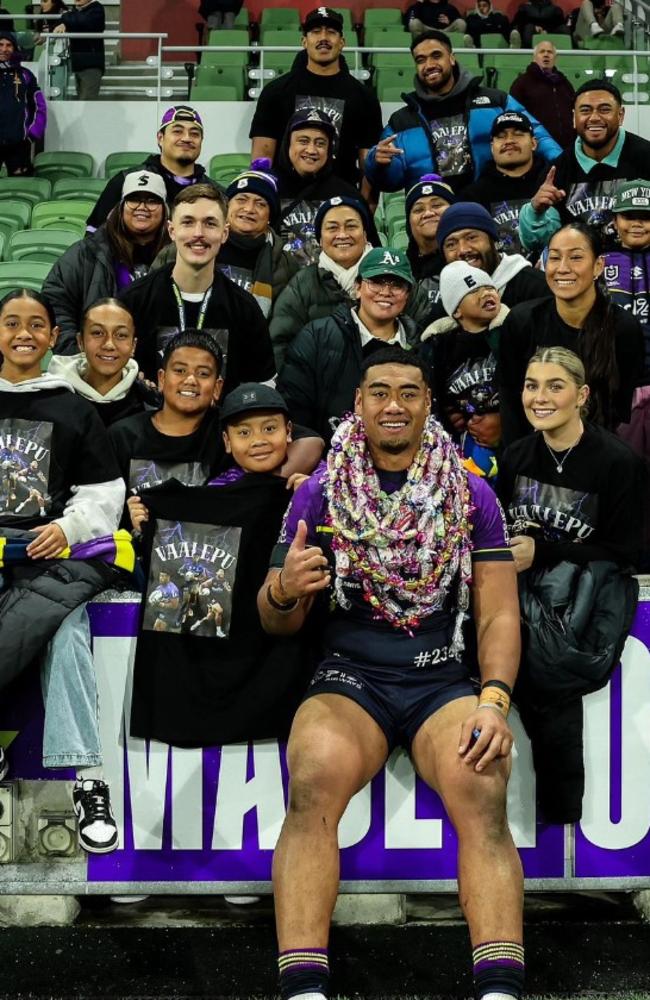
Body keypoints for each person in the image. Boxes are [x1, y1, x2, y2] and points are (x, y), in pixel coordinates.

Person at [259, 345, 523, 1000]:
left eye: (409, 391)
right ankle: (304, 988)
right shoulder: (320, 490)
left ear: (428, 404)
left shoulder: (469, 492)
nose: (394, 404)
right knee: (313, 778)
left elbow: (496, 615)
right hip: (351, 676)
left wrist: (493, 700)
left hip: (438, 677)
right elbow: (274, 616)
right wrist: (287, 591)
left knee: (482, 782)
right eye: (379, 391)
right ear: (359, 404)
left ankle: (499, 987)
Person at [0, 288, 127, 852]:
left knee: (67, 629)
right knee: (60, 625)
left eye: (36, 325)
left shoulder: (74, 407)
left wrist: (69, 529)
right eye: (10, 323)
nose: (23, 333)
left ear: (55, 338)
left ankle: (86, 779)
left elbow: (104, 492)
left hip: (48, 551)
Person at [498, 346, 643, 821]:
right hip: (520, 610)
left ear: (581, 395)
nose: (540, 397)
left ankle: (564, 833)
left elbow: (632, 552)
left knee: (560, 718)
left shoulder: (617, 462)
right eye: (531, 385)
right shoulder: (517, 454)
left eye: (554, 386)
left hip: (585, 619)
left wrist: (546, 551)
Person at [118, 184, 276, 391]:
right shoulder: (133, 301)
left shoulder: (245, 309)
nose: (198, 233)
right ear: (172, 231)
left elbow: (261, 389)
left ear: (224, 233)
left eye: (210, 223)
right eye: (188, 222)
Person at [364, 30, 561, 195]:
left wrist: (562, 166)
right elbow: (389, 182)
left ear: (451, 58)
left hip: (490, 208)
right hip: (432, 218)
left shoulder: (495, 101)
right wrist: (377, 164)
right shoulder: (402, 120)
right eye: (421, 60)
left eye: (436, 55)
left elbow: (537, 135)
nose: (429, 65)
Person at [498, 222, 645, 444]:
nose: (562, 268)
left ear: (598, 266)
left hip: (601, 454)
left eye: (576, 257)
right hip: (534, 452)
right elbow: (510, 399)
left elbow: (623, 412)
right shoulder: (522, 321)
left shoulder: (623, 328)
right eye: (555, 258)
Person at [276, 248, 424, 443]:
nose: (386, 292)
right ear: (357, 287)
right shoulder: (316, 337)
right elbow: (293, 409)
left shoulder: (423, 344)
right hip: (326, 463)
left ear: (407, 295)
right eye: (376, 282)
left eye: (397, 285)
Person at [249, 7, 383, 191]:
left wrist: (365, 210)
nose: (323, 38)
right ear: (304, 41)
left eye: (331, 32)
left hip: (342, 204)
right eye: (315, 32)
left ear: (342, 42)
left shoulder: (364, 97)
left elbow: (369, 165)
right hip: (285, 201)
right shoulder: (276, 92)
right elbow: (262, 158)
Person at [153, 160, 300, 319]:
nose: (249, 209)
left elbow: (283, 322)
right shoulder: (186, 247)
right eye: (241, 199)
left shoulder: (284, 263)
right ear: (226, 207)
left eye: (260, 204)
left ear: (270, 216)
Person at [519, 80, 650, 254]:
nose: (594, 117)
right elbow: (538, 245)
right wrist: (535, 212)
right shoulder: (556, 171)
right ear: (574, 118)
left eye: (604, 109)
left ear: (621, 115)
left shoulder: (646, 157)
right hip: (579, 273)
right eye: (585, 110)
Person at [44, 171, 169, 351]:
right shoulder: (87, 252)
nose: (142, 207)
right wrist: (78, 355)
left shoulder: (177, 255)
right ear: (121, 206)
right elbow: (56, 303)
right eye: (134, 199)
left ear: (165, 209)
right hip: (95, 363)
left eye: (152, 201)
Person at [421, 260, 507, 481]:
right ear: (456, 310)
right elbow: (435, 392)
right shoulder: (440, 347)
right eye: (474, 290)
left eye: (489, 288)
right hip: (468, 438)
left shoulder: (511, 332)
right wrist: (450, 416)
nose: (485, 293)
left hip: (509, 435)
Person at [270, 195, 376, 368]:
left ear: (365, 234)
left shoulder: (390, 276)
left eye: (351, 226)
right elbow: (280, 344)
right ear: (319, 239)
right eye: (332, 228)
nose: (342, 235)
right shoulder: (301, 284)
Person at [87, 105, 213, 231]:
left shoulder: (215, 192)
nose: (186, 138)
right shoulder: (126, 181)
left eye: (194, 134)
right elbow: (93, 239)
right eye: (177, 131)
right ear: (160, 138)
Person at [273, 108, 368, 267]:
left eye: (320, 143)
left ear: (329, 149)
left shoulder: (348, 195)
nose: (311, 150)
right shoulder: (267, 188)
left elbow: (369, 251)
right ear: (288, 143)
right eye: (303, 141)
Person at [48, 299, 160, 426]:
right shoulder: (52, 398)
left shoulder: (149, 404)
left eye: (121, 335)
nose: (109, 344)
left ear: (133, 346)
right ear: (80, 341)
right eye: (97, 333)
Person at [461, 111, 549, 259]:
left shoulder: (554, 183)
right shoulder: (472, 197)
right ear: (491, 147)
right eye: (501, 136)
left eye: (518, 134)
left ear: (534, 143)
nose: (509, 141)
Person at [435, 202, 550, 314]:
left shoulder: (536, 288)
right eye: (451, 244)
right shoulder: (449, 301)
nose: (463, 250)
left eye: (471, 238)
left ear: (493, 241)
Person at [603, 181, 650, 381]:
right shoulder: (598, 259)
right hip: (613, 373)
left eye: (646, 218)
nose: (637, 224)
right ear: (614, 221)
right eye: (628, 217)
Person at [509, 40, 575, 149]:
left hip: (567, 146)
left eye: (550, 52)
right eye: (542, 52)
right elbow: (514, 114)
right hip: (537, 145)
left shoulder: (564, 83)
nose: (546, 55)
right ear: (534, 57)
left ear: (555, 58)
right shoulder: (522, 83)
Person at [0, 30, 47, 176]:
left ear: (14, 49)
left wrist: (32, 133)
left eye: (9, 45)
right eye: (0, 45)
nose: (4, 49)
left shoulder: (25, 74)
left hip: (19, 143)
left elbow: (40, 105)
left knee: (20, 188)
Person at [404, 173, 456, 304]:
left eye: (437, 206)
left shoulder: (469, 261)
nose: (428, 213)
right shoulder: (402, 270)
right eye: (418, 209)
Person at [53, 0, 105, 100]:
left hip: (91, 64)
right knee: (81, 102)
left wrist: (65, 21)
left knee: (87, 102)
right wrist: (65, 21)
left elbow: (83, 21)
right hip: (78, 63)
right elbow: (64, 20)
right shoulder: (75, 12)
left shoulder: (96, 9)